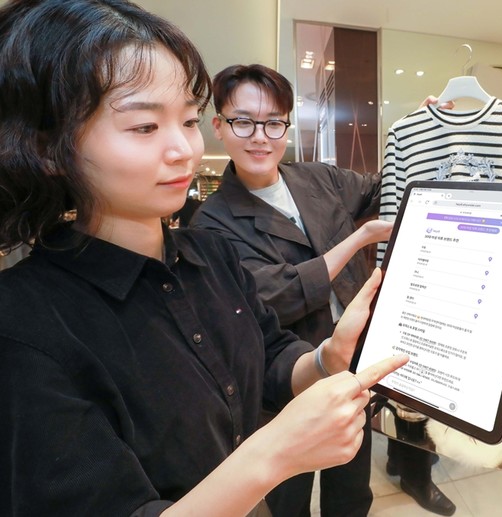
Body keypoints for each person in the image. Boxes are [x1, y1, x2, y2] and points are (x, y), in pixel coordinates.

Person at [0, 1, 407, 516]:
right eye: (144, 126)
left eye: (188, 121)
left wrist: (327, 358)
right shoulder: (23, 322)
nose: (185, 150)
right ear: (48, 149)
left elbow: (270, 357)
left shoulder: (212, 256)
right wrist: (275, 454)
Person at [191, 64, 454, 516]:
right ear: (218, 126)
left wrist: (417, 133)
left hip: (354, 359)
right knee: (288, 494)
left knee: (351, 482)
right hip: (285, 375)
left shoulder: (317, 179)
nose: (260, 137)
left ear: (287, 126)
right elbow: (272, 294)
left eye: (274, 123)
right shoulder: (210, 223)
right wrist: (358, 238)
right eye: (243, 122)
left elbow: (384, 187)